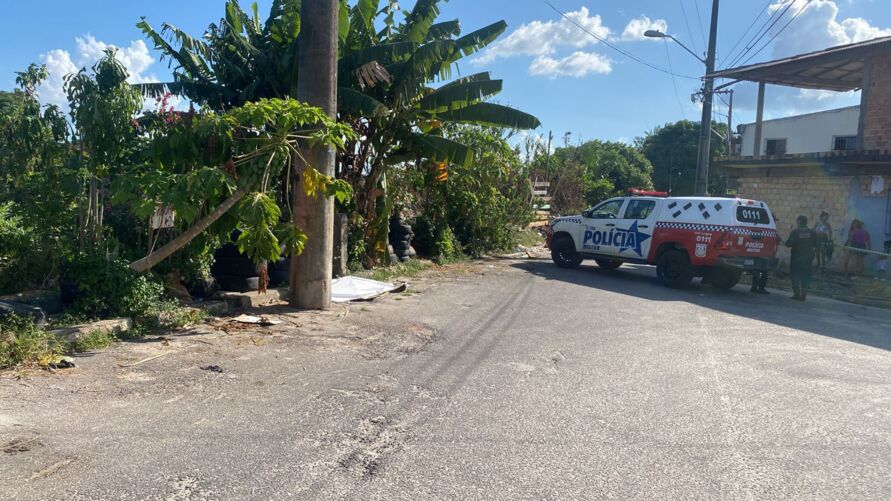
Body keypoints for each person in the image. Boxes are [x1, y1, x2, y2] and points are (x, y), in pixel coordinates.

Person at [785, 215, 818, 301]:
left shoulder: (795, 232)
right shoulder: (812, 233)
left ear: (799, 221)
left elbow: (788, 244)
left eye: (797, 221)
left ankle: (796, 294)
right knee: (806, 276)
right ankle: (803, 294)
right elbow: (817, 245)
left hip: (796, 258)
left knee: (795, 276)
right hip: (808, 259)